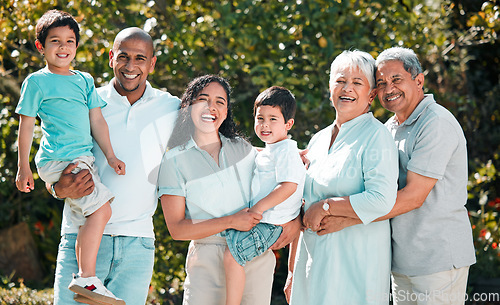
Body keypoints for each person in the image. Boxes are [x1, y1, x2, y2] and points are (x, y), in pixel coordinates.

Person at [317, 47, 476, 304]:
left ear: (419, 80)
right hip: (402, 261)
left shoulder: (435, 123)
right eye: (381, 83)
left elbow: (412, 197)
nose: (389, 88)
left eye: (396, 80)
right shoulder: (389, 128)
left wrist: (344, 218)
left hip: (437, 260)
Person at [47, 27, 180, 305]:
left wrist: (286, 150)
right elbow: (52, 155)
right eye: (123, 57)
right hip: (79, 237)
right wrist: (57, 188)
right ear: (111, 58)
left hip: (137, 244)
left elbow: (215, 139)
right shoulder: (85, 100)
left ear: (152, 63)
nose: (131, 66)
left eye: (140, 58)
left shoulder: (171, 107)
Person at [158, 75, 301, 305]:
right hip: (206, 262)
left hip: (254, 255)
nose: (211, 107)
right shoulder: (173, 160)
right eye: (203, 99)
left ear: (226, 111)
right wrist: (231, 221)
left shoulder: (243, 148)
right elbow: (177, 229)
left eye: (220, 102)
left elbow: (287, 172)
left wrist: (296, 222)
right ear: (189, 105)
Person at [15, 10, 126, 305]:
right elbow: (26, 126)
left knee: (85, 218)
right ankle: (86, 279)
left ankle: (82, 277)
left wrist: (111, 155)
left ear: (76, 46)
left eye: (69, 41)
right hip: (61, 160)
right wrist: (23, 168)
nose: (63, 47)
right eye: (55, 41)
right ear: (41, 47)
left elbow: (97, 121)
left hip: (82, 157)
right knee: (102, 211)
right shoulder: (37, 82)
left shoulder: (84, 80)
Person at [286, 50, 399, 305]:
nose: (347, 88)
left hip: (355, 266)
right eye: (340, 81)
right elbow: (302, 206)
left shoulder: (376, 136)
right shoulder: (317, 140)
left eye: (357, 83)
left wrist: (326, 207)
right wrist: (292, 270)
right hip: (312, 265)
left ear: (371, 94)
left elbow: (382, 199)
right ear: (330, 89)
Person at [224, 86, 306, 305]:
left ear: (288, 124)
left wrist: (258, 207)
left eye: (273, 119)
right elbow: (257, 152)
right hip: (263, 221)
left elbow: (288, 186)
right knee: (229, 242)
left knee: (232, 256)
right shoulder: (273, 149)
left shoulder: (287, 152)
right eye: (260, 118)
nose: (265, 125)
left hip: (270, 224)